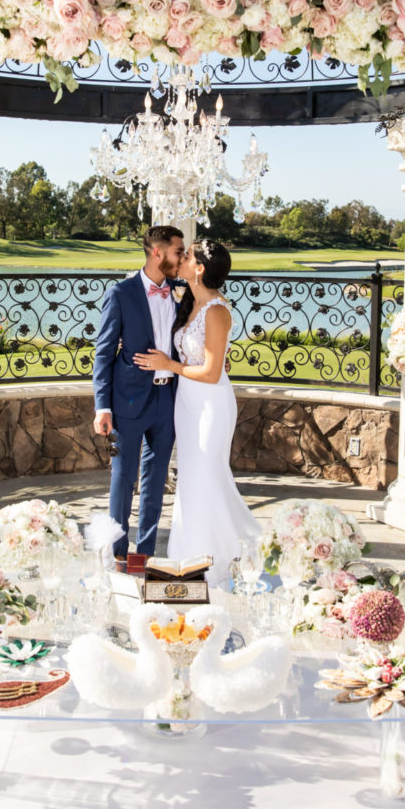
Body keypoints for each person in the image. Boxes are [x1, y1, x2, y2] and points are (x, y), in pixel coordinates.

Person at [133, 237, 261, 585]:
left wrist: (167, 364)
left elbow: (211, 371)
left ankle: (216, 563)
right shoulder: (190, 301)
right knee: (191, 478)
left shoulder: (217, 311)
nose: (182, 260)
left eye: (187, 256)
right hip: (187, 405)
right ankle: (188, 558)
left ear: (200, 268)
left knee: (206, 474)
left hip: (210, 405)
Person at [93, 225, 184, 564]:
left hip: (167, 400)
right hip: (127, 400)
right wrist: (102, 406)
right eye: (178, 251)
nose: (182, 257)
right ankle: (118, 552)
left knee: (156, 479)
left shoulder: (181, 291)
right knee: (123, 477)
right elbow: (103, 352)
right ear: (157, 252)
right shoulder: (121, 293)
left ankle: (143, 555)